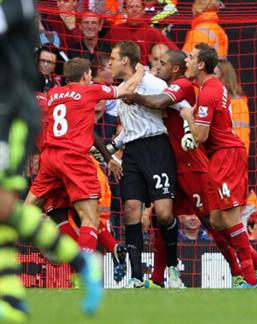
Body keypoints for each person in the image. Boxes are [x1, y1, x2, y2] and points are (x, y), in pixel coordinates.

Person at [122, 49, 257, 288]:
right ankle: (158, 278)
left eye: (162, 63)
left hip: (194, 164)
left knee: (212, 220)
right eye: (155, 62)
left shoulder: (184, 85)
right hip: (174, 163)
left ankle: (247, 268)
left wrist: (132, 92)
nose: (156, 66)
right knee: (164, 217)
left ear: (178, 68)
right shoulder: (169, 86)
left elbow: (166, 106)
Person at [0, 1, 103, 321]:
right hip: (47, 145)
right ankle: (12, 303)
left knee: (4, 208)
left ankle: (81, 261)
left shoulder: (17, 5)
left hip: (9, 114)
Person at [24, 57, 143, 254]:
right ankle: (84, 273)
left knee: (28, 210)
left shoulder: (53, 94)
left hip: (50, 159)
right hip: (74, 159)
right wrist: (140, 71)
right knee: (90, 218)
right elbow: (126, 90)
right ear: (86, 75)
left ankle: (41, 238)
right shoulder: (90, 90)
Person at [181, 43, 257, 288]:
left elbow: (199, 136)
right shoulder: (213, 87)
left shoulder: (208, 93)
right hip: (219, 157)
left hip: (227, 157)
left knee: (229, 220)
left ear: (200, 64)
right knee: (218, 220)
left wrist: (187, 114)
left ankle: (251, 279)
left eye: (190, 57)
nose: (186, 61)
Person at [108, 41, 180, 288]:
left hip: (156, 148)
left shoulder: (153, 83)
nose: (109, 63)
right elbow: (128, 130)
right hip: (132, 153)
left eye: (113, 58)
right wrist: (110, 149)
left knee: (164, 213)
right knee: (130, 209)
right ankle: (137, 277)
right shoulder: (120, 90)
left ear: (125, 61)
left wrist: (191, 130)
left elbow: (180, 105)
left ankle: (173, 269)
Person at [105, 0, 178, 65]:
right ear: (125, 10)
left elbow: (175, 51)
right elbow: (103, 51)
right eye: (131, 7)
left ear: (143, 10)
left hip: (144, 72)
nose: (134, 9)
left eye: (137, 6)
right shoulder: (116, 30)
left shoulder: (152, 31)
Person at [215, 58, 250, 152]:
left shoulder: (237, 103)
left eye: (214, 74)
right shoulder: (206, 98)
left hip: (231, 159)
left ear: (225, 78)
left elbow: (242, 138)